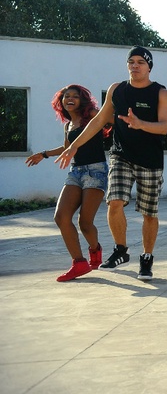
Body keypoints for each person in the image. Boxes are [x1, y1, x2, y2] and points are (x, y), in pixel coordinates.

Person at [57, 46, 167, 281]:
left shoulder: (161, 93)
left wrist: (141, 124)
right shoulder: (116, 90)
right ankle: (121, 250)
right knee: (115, 201)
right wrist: (74, 145)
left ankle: (147, 257)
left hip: (150, 160)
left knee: (149, 213)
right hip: (121, 155)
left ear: (149, 66)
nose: (135, 65)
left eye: (141, 61)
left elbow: (164, 127)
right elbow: (99, 120)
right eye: (131, 61)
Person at [26, 85, 108, 282]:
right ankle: (79, 263)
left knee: (85, 222)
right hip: (76, 172)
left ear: (82, 100)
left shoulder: (93, 115)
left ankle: (95, 250)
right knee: (61, 217)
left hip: (96, 171)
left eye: (75, 96)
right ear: (61, 102)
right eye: (66, 96)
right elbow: (67, 148)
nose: (70, 99)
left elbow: (111, 120)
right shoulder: (68, 125)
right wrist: (44, 154)